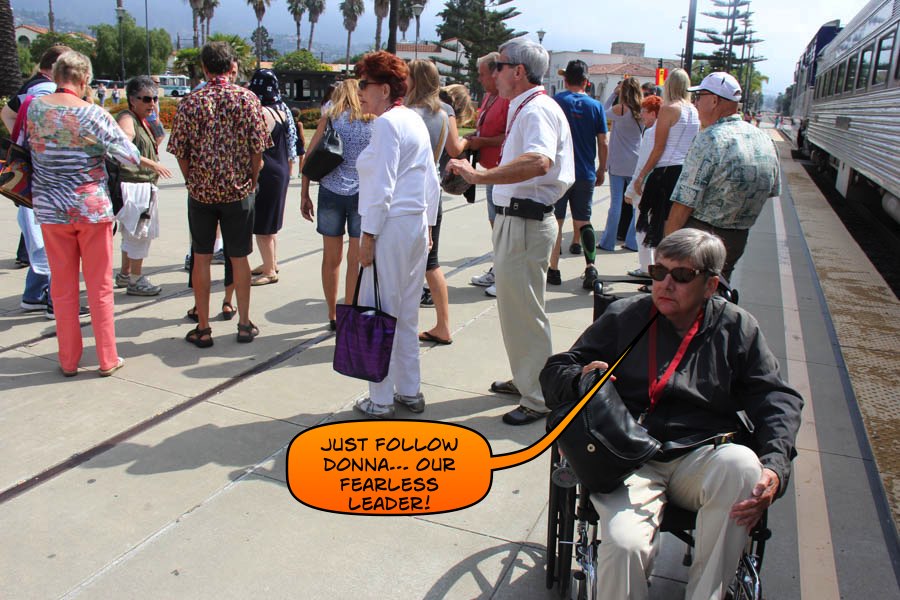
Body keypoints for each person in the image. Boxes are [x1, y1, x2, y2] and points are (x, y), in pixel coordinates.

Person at [540, 228, 803, 600]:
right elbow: (556, 370)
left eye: (681, 276)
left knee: (744, 464)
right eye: (658, 272)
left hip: (703, 454)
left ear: (710, 285)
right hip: (629, 457)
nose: (665, 284)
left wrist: (775, 465)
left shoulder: (736, 326)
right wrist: (579, 378)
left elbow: (776, 397)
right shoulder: (626, 315)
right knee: (625, 544)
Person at [448, 36, 575, 426]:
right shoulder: (529, 107)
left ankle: (537, 396)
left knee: (524, 312)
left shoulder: (535, 110)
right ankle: (529, 380)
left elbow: (539, 161)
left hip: (523, 221)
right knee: (519, 310)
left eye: (499, 66)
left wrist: (481, 175)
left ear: (518, 71)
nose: (493, 71)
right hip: (520, 220)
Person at [26, 51, 154, 376]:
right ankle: (107, 358)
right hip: (90, 208)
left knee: (63, 286)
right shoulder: (94, 114)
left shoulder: (36, 110)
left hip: (51, 210)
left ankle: (68, 359)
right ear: (84, 80)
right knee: (99, 286)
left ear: (56, 76)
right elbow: (129, 156)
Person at [352, 51, 440, 418]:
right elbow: (431, 179)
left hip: (391, 226)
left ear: (384, 89)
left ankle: (381, 398)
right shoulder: (414, 119)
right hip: (415, 223)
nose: (359, 92)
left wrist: (368, 235)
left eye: (364, 85)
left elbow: (382, 187)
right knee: (405, 313)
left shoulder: (387, 124)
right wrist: (430, 226)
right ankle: (409, 389)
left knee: (379, 311)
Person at [168, 42, 272, 347]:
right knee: (239, 256)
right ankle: (243, 323)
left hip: (201, 192)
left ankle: (203, 326)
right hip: (238, 191)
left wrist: (192, 179)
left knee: (201, 256)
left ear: (204, 68)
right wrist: (251, 180)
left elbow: (180, 151)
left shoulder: (191, 101)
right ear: (232, 67)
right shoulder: (247, 99)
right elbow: (258, 151)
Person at [665, 72, 781, 281]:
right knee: (717, 290)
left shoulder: (709, 139)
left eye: (699, 97)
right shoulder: (764, 139)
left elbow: (684, 202)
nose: (696, 103)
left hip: (700, 239)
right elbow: (771, 189)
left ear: (714, 100)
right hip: (738, 239)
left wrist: (666, 251)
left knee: (688, 297)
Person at [3, 45, 71, 319]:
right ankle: (55, 302)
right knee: (52, 238)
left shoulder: (31, 86)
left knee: (38, 234)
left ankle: (34, 295)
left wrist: (22, 144)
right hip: (46, 176)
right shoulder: (44, 91)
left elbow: (7, 114)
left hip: (33, 172)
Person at [300, 80, 373, 330]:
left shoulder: (331, 118)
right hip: (362, 196)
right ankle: (348, 310)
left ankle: (332, 313)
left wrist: (304, 194)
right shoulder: (372, 121)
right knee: (355, 259)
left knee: (331, 259)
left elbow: (309, 157)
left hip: (330, 192)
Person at [405, 59, 468, 345]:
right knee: (432, 262)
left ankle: (399, 326)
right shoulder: (444, 113)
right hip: (431, 192)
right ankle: (443, 324)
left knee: (398, 262)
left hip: (405, 194)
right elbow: (455, 148)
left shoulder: (405, 114)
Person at [548, 59, 607, 290]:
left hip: (560, 172)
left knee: (556, 221)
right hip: (585, 171)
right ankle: (590, 266)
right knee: (583, 220)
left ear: (565, 80)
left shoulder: (555, 103)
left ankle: (553, 269)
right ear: (586, 82)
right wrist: (601, 168)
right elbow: (603, 141)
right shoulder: (595, 106)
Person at [114, 76, 173, 296]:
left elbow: (158, 137)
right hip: (135, 185)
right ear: (132, 100)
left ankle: (126, 273)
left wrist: (153, 115)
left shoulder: (142, 120)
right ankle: (136, 279)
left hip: (139, 185)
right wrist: (152, 164)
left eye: (155, 99)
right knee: (139, 234)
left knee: (132, 233)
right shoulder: (128, 119)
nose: (152, 103)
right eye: (146, 99)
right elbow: (123, 146)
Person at [632, 69, 699, 254]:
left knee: (658, 227)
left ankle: (658, 272)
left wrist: (641, 175)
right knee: (674, 225)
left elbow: (659, 148)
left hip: (665, 172)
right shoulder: (694, 111)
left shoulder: (669, 109)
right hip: (683, 172)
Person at [247, 69, 298, 286]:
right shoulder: (281, 110)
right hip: (281, 171)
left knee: (263, 226)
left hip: (266, 173)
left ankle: (269, 271)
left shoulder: (263, 114)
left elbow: (254, 147)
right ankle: (271, 262)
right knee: (272, 223)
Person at [466, 52, 510, 297]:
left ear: (495, 73)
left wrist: (481, 140)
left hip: (502, 170)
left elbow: (509, 134)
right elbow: (485, 125)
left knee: (501, 225)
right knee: (495, 223)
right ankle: (498, 268)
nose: (480, 79)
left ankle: (503, 275)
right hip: (490, 169)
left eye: (483, 74)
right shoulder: (489, 97)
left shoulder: (506, 99)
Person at [599, 77, 643, 253]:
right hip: (636, 161)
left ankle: (608, 241)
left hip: (618, 162)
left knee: (616, 204)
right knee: (634, 204)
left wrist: (612, 94)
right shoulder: (640, 110)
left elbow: (602, 112)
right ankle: (632, 241)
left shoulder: (621, 109)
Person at [623, 94, 663, 280]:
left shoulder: (651, 133)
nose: (642, 116)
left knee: (642, 230)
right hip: (659, 186)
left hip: (644, 187)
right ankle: (651, 266)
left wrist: (631, 188)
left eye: (645, 112)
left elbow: (642, 163)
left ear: (654, 113)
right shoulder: (664, 132)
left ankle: (646, 267)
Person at [290, 107, 307, 177]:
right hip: (299, 142)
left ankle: (290, 173)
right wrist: (303, 141)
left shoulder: (290, 123)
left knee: (290, 158)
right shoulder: (299, 124)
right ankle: (300, 172)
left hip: (292, 141)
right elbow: (301, 134)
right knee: (301, 157)